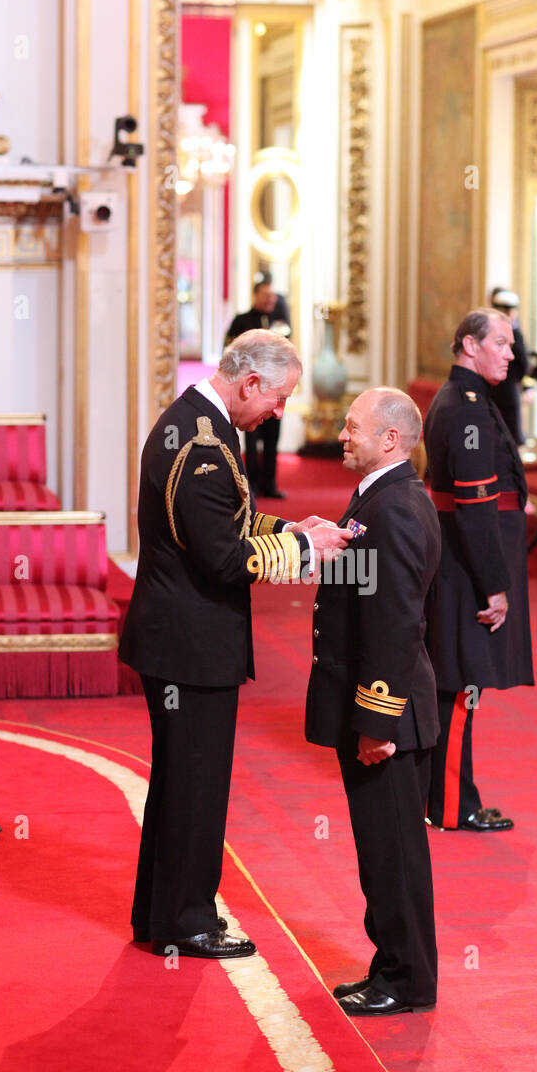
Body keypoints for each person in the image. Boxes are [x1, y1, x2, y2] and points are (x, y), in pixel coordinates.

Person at [120, 330, 350, 960]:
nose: (278, 412)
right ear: (251, 383)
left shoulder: (202, 424)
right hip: (189, 645)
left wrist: (289, 527)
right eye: (277, 399)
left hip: (180, 639)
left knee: (179, 781)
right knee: (195, 784)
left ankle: (159, 912)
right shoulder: (200, 442)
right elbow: (224, 557)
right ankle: (186, 921)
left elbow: (229, 517)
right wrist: (306, 550)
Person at [305, 388, 440, 1016]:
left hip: (387, 716)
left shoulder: (395, 509)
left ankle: (405, 980)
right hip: (377, 706)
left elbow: (394, 622)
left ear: (390, 439)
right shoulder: (378, 497)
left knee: (392, 853)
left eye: (353, 427)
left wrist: (376, 722)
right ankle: (391, 967)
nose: (341, 435)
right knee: (381, 850)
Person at [424, 309, 535, 832]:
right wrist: (495, 585)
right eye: (502, 343)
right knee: (463, 686)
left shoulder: (467, 399)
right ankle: (452, 805)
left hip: (463, 561)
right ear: (470, 345)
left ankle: (452, 797)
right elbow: (473, 505)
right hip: (469, 569)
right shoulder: (467, 408)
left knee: (461, 686)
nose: (511, 354)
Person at [224, 275, 291, 499]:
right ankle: (250, 484)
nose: (270, 299)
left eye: (273, 296)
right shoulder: (241, 320)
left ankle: (269, 484)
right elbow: (230, 351)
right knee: (251, 441)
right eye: (266, 295)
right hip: (250, 391)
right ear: (256, 296)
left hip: (275, 390)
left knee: (273, 439)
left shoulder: (280, 320)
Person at [488, 287, 531, 445]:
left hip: (492, 391)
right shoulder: (514, 333)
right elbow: (524, 365)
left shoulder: (487, 332)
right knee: (509, 441)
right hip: (508, 392)